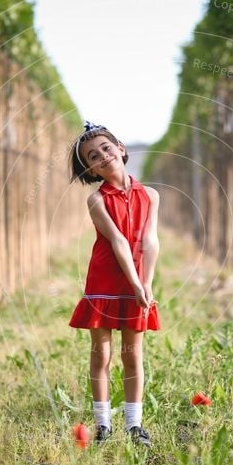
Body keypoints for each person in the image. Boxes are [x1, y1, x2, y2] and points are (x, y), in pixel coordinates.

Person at [68, 121, 161, 447]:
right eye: (93, 156)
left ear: (121, 148)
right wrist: (135, 282)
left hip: (137, 281)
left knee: (133, 354)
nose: (102, 156)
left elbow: (150, 240)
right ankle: (103, 425)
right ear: (91, 170)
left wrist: (145, 282)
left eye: (106, 148)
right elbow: (119, 241)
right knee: (102, 354)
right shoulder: (97, 201)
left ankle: (135, 426)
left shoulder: (150, 195)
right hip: (106, 282)